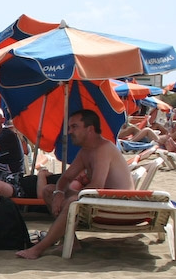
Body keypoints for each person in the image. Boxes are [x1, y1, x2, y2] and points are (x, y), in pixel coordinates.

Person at [17, 109, 133, 259]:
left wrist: (68, 197)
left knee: (72, 201)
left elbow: (97, 185)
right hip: (101, 200)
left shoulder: (103, 149)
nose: (69, 131)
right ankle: (71, 242)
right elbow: (65, 178)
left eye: (74, 127)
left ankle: (38, 249)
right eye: (69, 127)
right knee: (49, 190)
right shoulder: (86, 151)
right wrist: (58, 193)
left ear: (90, 129)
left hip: (117, 205)